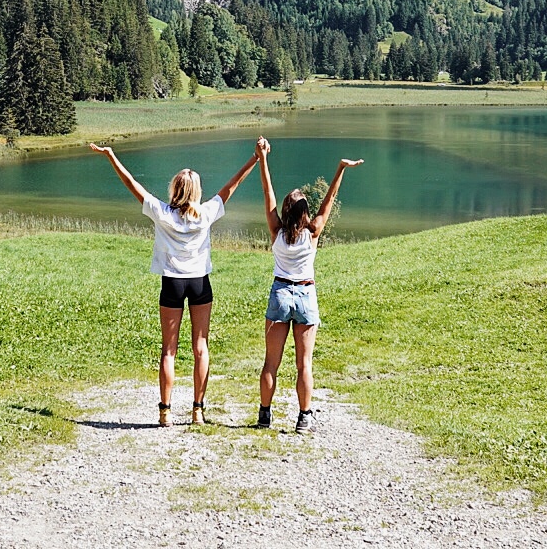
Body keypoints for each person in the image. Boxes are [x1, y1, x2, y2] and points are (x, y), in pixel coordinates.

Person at [88, 140, 262, 426]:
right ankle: (197, 411)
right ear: (196, 192)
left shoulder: (162, 213)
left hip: (171, 283)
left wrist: (111, 157)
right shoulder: (206, 213)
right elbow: (232, 186)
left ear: (175, 189)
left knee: (168, 350)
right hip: (199, 283)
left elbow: (132, 184)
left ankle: (165, 412)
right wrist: (254, 160)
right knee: (200, 347)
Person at [257, 148, 362, 432]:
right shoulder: (313, 231)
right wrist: (340, 168)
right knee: (304, 364)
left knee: (271, 363)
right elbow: (328, 202)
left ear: (285, 211)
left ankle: (264, 415)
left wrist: (263, 159)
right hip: (305, 295)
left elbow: (268, 193)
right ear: (305, 213)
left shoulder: (276, 230)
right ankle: (304, 418)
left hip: (280, 293)